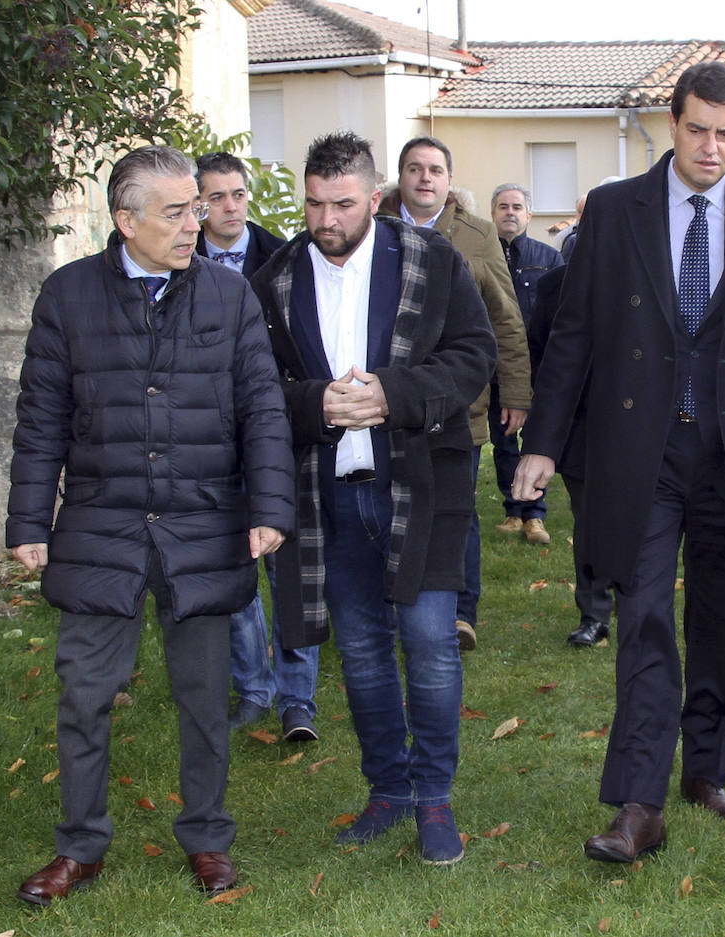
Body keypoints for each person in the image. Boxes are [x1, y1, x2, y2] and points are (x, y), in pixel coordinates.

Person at [513, 62, 725, 862]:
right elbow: (575, 338)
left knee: (718, 619)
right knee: (645, 614)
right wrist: (544, 444)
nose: (711, 146)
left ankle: (707, 768)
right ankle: (637, 802)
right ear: (673, 124)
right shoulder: (618, 212)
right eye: (698, 129)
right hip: (642, 452)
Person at [7, 145, 295, 904]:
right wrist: (29, 519)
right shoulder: (67, 297)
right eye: (175, 212)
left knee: (205, 696)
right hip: (101, 525)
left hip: (204, 524)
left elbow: (263, 408)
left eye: (196, 208)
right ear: (124, 219)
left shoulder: (230, 299)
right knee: (84, 694)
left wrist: (269, 507)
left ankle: (207, 837)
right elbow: (40, 421)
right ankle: (80, 847)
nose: (194, 225)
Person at [248, 131, 495, 866]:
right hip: (324, 497)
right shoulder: (278, 277)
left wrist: (392, 395)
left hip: (419, 485)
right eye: (314, 204)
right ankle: (387, 791)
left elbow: (473, 356)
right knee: (359, 652)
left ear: (374, 196)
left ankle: (434, 798)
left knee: (429, 643)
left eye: (342, 204)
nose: (326, 219)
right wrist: (316, 405)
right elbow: (258, 390)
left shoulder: (431, 260)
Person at [377, 137, 532, 651]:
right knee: (383, 505)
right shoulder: (371, 228)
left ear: (449, 179)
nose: (425, 178)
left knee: (455, 510)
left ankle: (461, 614)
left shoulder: (478, 235)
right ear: (400, 176)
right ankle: (386, 605)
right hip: (385, 400)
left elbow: (505, 319)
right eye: (414, 169)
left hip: (457, 401)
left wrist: (515, 390)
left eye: (435, 170)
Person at [195, 151, 319, 741]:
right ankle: (253, 687)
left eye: (237, 194)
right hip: (212, 437)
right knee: (237, 566)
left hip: (280, 431)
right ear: (198, 205)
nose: (229, 206)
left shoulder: (288, 260)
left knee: (291, 568)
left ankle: (299, 697)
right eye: (215, 197)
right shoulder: (179, 264)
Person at [526, 264, 615, 648]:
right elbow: (541, 353)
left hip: (648, 424)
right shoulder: (555, 286)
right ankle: (595, 613)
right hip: (582, 427)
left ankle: (640, 606)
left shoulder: (659, 272)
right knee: (591, 521)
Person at [490, 183, 563, 541]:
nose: (510, 212)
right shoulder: (484, 256)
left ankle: (535, 514)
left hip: (538, 366)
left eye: (517, 207)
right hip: (496, 368)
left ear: (529, 215)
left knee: (535, 439)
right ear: (493, 213)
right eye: (503, 206)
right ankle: (513, 511)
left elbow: (561, 316)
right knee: (503, 441)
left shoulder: (549, 258)